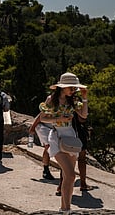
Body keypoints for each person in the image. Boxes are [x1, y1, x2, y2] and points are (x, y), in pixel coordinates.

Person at [40, 72, 88, 214]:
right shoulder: (51, 100)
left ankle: (64, 208)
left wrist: (85, 98)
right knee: (71, 175)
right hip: (57, 137)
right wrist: (59, 118)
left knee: (69, 177)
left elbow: (84, 115)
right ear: (63, 87)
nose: (73, 91)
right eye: (71, 88)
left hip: (70, 138)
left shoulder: (72, 100)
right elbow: (43, 117)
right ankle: (65, 208)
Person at [29, 113, 55, 180]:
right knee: (48, 146)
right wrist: (32, 128)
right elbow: (40, 116)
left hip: (55, 127)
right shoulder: (50, 103)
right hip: (43, 126)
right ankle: (46, 170)